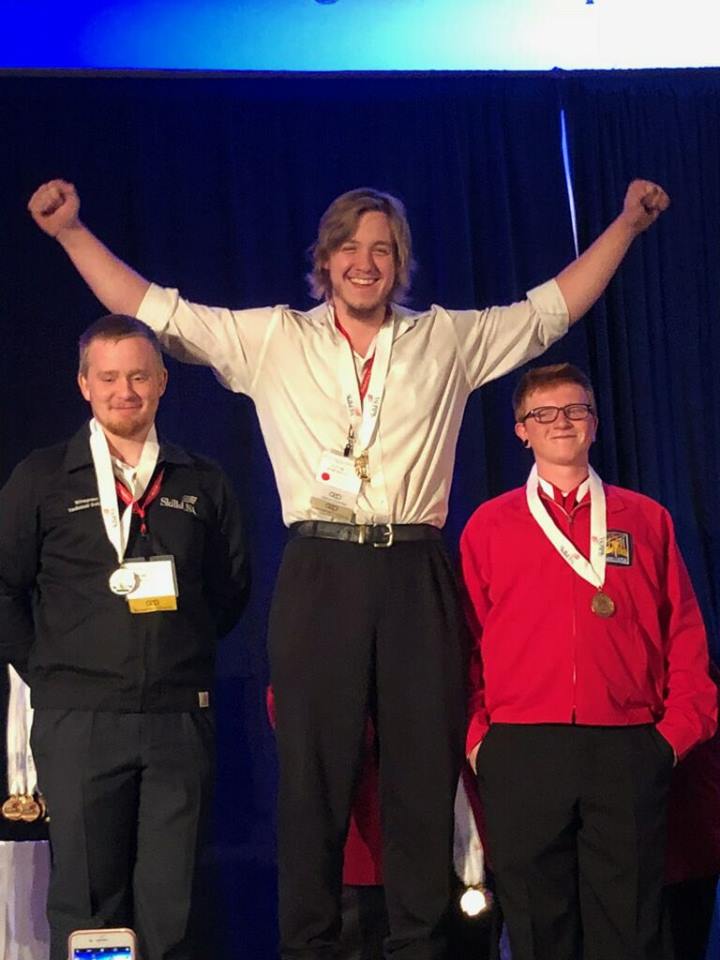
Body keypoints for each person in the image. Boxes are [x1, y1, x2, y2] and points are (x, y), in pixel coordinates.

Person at [27, 177, 668, 960]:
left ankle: (420, 947)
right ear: (323, 261)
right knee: (312, 779)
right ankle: (310, 947)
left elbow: (551, 311)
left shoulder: (446, 338)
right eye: (350, 249)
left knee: (421, 777)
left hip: (413, 568)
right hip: (321, 568)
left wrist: (627, 227)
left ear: (400, 264)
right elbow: (159, 309)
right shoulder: (273, 339)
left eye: (383, 250)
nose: (366, 263)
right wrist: (71, 233)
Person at [0, 314, 249, 960]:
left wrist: (177, 654)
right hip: (78, 721)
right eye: (109, 377)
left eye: (139, 376)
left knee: (173, 902)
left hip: (177, 720)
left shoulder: (201, 481)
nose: (125, 391)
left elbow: (230, 592)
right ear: (84, 384)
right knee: (88, 902)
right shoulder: (43, 478)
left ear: (163, 382)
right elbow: (3, 587)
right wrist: (53, 672)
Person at [460, 362, 717, 960]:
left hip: (627, 745)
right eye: (543, 413)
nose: (561, 423)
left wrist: (673, 738)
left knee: (631, 929)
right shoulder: (489, 525)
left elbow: (683, 635)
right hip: (521, 748)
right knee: (536, 928)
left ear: (595, 424)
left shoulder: (645, 519)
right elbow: (465, 646)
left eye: (575, 410)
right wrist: (480, 743)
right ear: (521, 430)